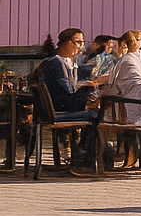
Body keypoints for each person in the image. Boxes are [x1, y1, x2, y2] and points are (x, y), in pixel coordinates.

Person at [35, 28, 103, 172]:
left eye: (82, 43)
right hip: (58, 111)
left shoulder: (67, 63)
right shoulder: (55, 63)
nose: (80, 46)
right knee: (96, 115)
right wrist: (86, 90)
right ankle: (83, 159)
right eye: (77, 42)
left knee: (95, 110)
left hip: (60, 107)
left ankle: (82, 157)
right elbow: (66, 92)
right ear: (66, 43)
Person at [100, 30, 141, 169]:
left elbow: (140, 80)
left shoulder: (137, 59)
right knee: (134, 122)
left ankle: (134, 157)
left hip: (135, 102)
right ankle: (130, 156)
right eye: (140, 40)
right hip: (129, 104)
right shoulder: (129, 60)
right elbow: (133, 83)